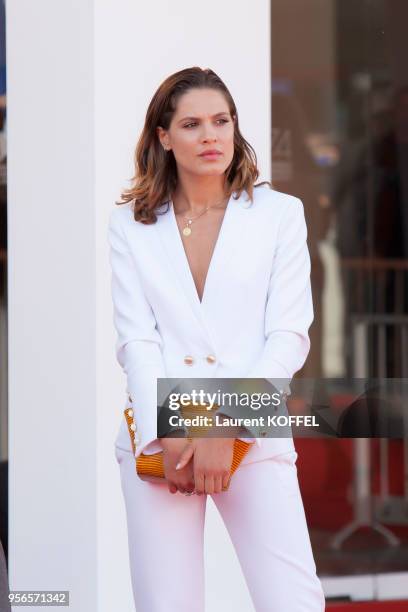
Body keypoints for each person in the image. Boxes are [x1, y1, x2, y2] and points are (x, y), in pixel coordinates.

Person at [108, 67, 325, 611]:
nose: (210, 136)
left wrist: (223, 426)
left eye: (221, 120)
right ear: (163, 135)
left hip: (250, 435)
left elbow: (288, 336)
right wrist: (176, 431)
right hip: (164, 444)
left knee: (293, 602)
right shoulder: (131, 225)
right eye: (192, 123)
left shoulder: (279, 214)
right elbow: (137, 341)